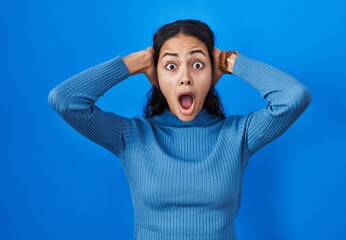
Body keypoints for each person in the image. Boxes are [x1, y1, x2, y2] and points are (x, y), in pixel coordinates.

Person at [48, 19, 311, 239]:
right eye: (171, 66)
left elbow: (293, 97)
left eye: (198, 65)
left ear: (212, 74)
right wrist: (136, 62)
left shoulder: (238, 135)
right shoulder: (130, 135)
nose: (185, 77)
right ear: (157, 76)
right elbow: (65, 100)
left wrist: (229, 61)